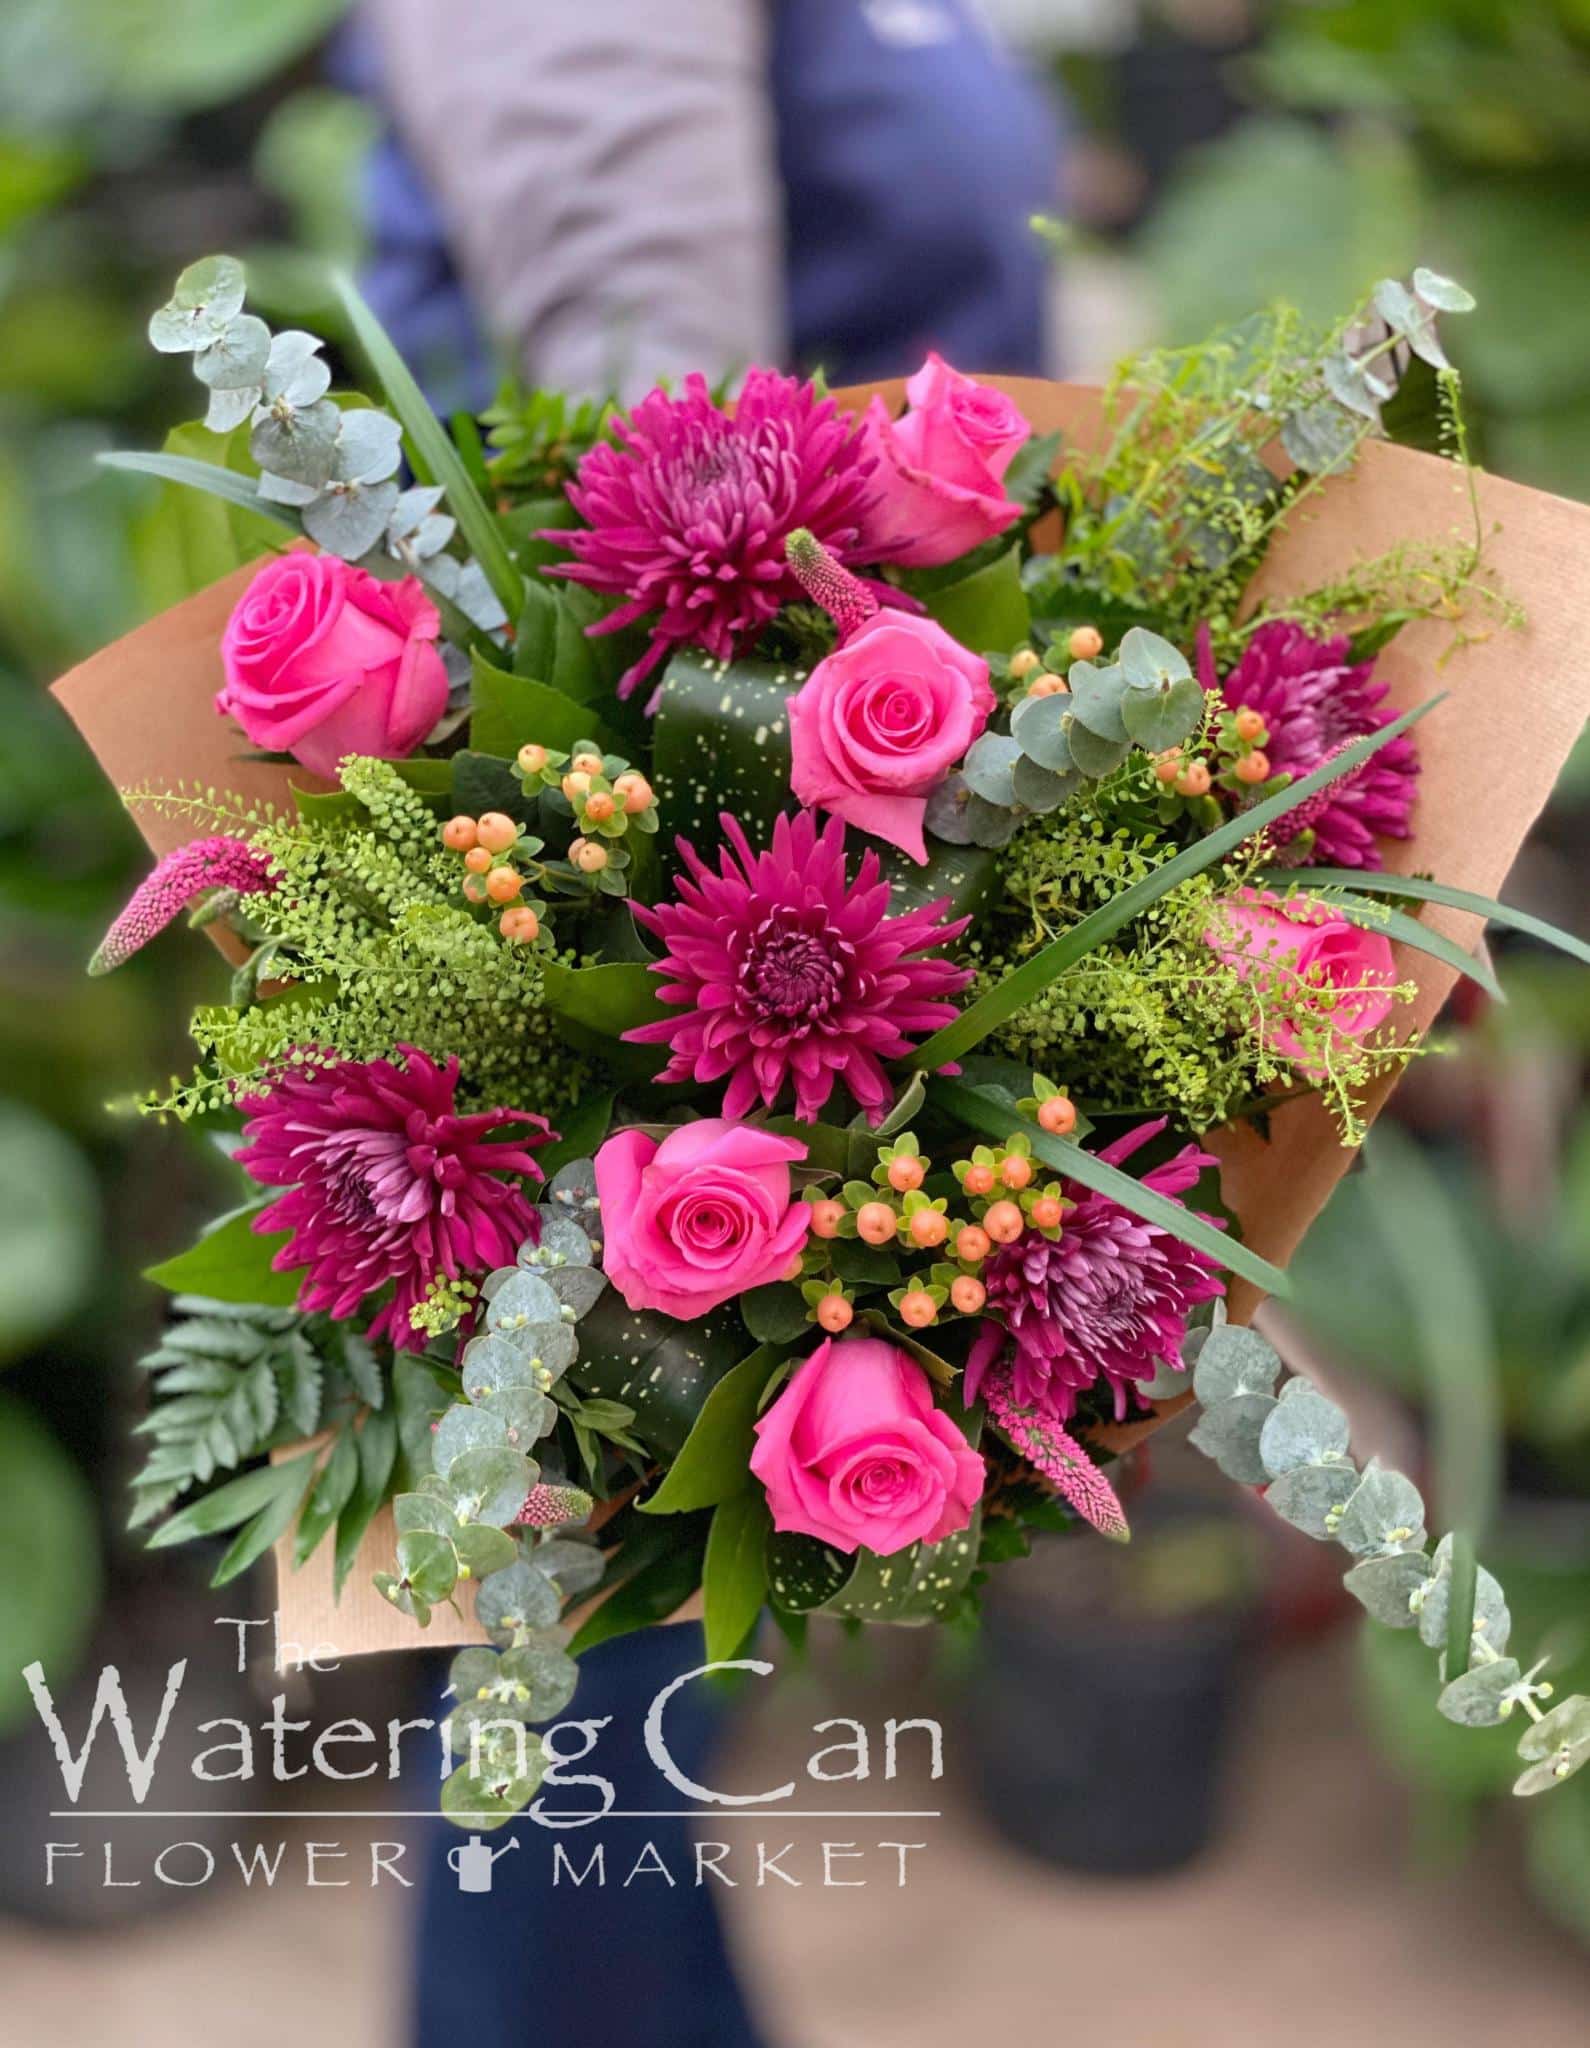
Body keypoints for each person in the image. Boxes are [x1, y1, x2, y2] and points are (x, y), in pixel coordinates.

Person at [348, 6, 1061, 2040]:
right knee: (573, 1612)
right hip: (651, 829)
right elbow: (639, 374)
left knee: (607, 1645)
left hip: (823, 828)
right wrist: (755, 784)